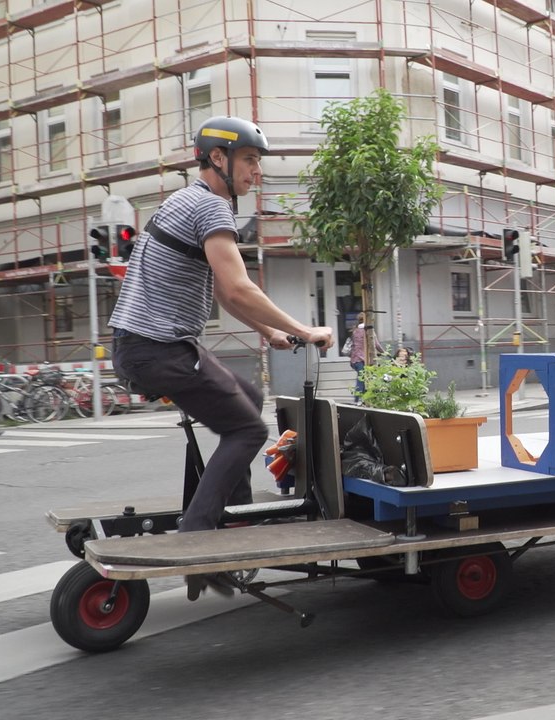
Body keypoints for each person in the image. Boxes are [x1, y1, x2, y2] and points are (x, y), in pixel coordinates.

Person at [108, 116, 333, 599]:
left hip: (146, 345)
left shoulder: (182, 200)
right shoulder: (211, 207)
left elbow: (227, 296)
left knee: (247, 399)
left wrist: (269, 331)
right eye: (250, 160)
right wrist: (304, 329)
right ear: (217, 158)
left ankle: (235, 522)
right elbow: (238, 286)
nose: (257, 172)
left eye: (257, 162)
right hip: (160, 349)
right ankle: (199, 538)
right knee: (249, 429)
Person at [348, 311, 383, 402]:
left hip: (355, 360)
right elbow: (376, 344)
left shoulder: (355, 330)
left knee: (363, 378)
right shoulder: (368, 330)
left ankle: (361, 399)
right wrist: (385, 353)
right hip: (362, 359)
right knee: (362, 379)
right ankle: (358, 400)